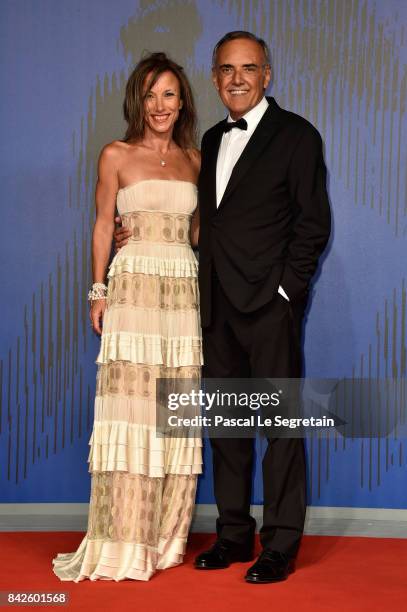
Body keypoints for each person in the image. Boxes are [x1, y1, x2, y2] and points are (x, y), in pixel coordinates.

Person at [115, 31, 331, 584]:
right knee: (228, 429)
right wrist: (138, 234)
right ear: (214, 79)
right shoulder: (207, 141)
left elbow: (313, 225)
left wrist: (286, 293)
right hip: (212, 308)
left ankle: (280, 545)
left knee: (280, 429)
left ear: (266, 75)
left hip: (270, 307)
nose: (237, 78)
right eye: (227, 69)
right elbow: (201, 224)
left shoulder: (298, 136)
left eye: (249, 68)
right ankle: (234, 535)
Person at [52, 52, 202, 582]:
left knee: (173, 411)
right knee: (133, 411)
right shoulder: (115, 153)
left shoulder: (193, 159)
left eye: (168, 94)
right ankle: (124, 539)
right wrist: (98, 289)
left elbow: (199, 233)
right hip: (133, 287)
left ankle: (165, 538)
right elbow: (100, 225)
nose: (159, 105)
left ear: (182, 101)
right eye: (150, 94)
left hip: (181, 293)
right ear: (137, 101)